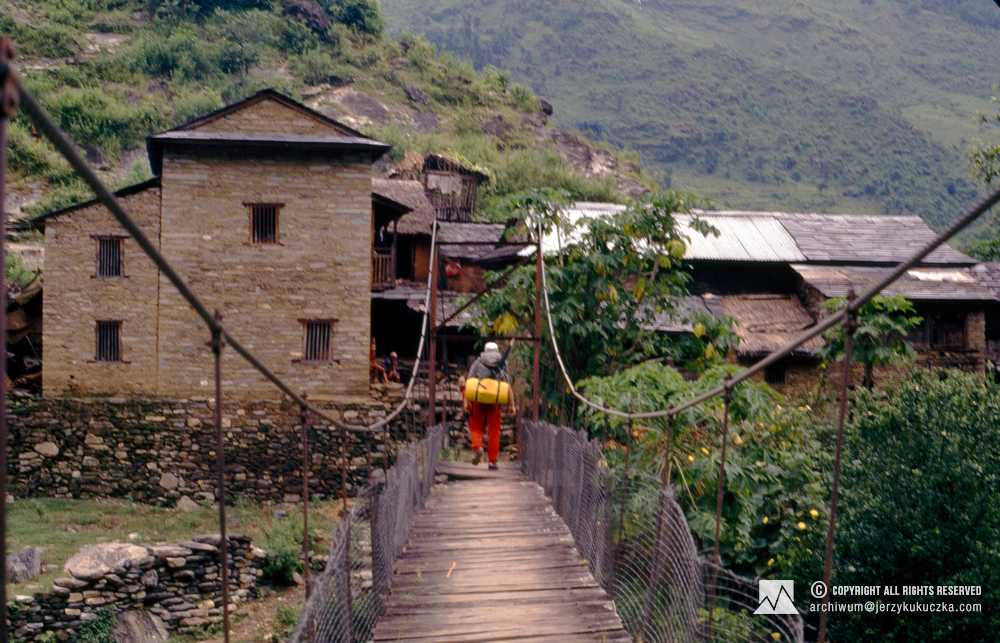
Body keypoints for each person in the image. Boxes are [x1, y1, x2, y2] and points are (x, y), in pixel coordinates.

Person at [462, 342, 515, 470]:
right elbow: (507, 386)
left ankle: (478, 447)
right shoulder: (503, 363)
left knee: (476, 428)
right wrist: (512, 404)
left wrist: (466, 401)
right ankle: (492, 462)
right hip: (495, 402)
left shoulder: (478, 362)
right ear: (496, 351)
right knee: (494, 432)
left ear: (485, 350)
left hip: (478, 401)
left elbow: (469, 382)